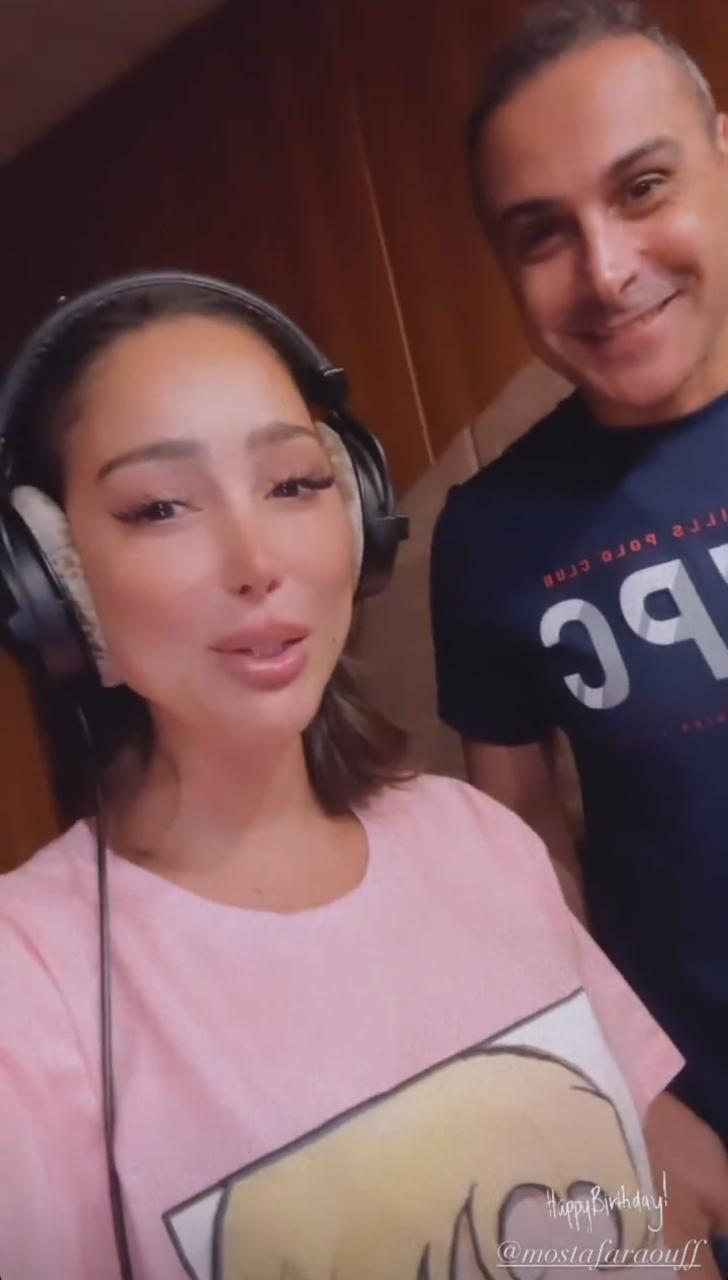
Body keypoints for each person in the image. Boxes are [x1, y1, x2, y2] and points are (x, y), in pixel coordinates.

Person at [0, 272, 723, 1280]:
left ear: (360, 513)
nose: (256, 558)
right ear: (52, 581)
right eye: (160, 506)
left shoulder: (472, 836)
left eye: (294, 483)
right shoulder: (27, 986)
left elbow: (652, 1176)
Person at [430, 0, 728, 1150]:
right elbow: (523, 848)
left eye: (641, 187)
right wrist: (632, 1096)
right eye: (540, 233)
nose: (604, 271)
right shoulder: (488, 533)